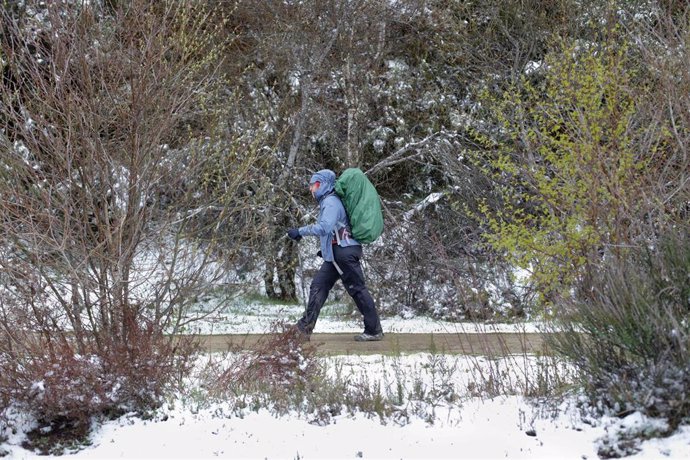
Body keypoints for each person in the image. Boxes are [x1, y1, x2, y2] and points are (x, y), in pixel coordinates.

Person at [287, 169, 384, 342]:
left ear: (323, 184)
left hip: (343, 252)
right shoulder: (330, 201)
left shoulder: (330, 202)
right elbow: (333, 230)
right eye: (311, 185)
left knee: (357, 289)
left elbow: (324, 227)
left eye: (314, 185)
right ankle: (304, 329)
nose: (311, 189)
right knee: (319, 286)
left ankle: (374, 330)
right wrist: (324, 251)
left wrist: (300, 231)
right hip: (337, 253)